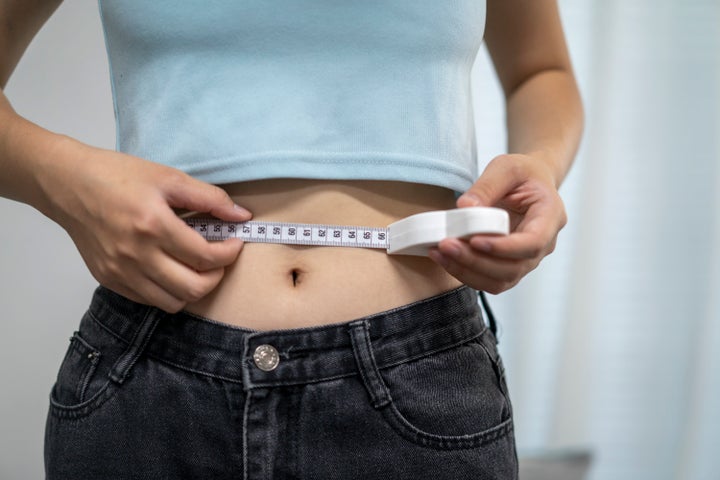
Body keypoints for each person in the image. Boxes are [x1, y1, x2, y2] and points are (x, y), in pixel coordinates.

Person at [0, 0, 582, 478]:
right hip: (152, 385)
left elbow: (541, 71)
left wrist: (542, 167)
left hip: (419, 382)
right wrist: (62, 181)